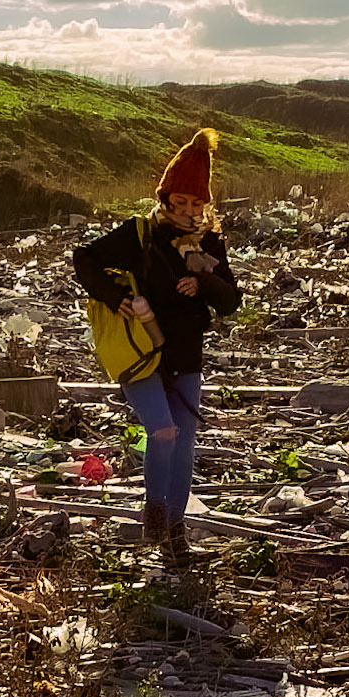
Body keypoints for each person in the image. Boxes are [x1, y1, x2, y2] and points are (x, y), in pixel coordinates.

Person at [72, 128, 240, 564]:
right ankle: (155, 512)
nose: (188, 212)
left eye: (196, 204)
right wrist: (119, 299)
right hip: (142, 353)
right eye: (180, 202)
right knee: (162, 431)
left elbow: (231, 302)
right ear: (165, 199)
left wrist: (202, 280)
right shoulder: (140, 235)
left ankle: (175, 534)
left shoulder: (210, 243)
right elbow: (84, 260)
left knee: (184, 440)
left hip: (186, 355)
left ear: (206, 205)